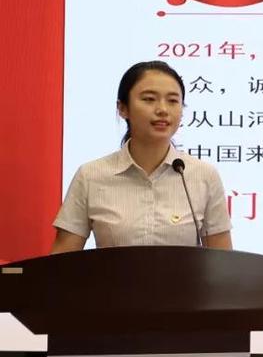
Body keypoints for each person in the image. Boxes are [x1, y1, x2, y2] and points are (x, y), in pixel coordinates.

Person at [51, 60, 233, 253]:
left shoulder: (203, 176)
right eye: (149, 99)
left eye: (172, 101)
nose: (162, 110)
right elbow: (61, 260)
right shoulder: (90, 176)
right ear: (123, 108)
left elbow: (223, 261)